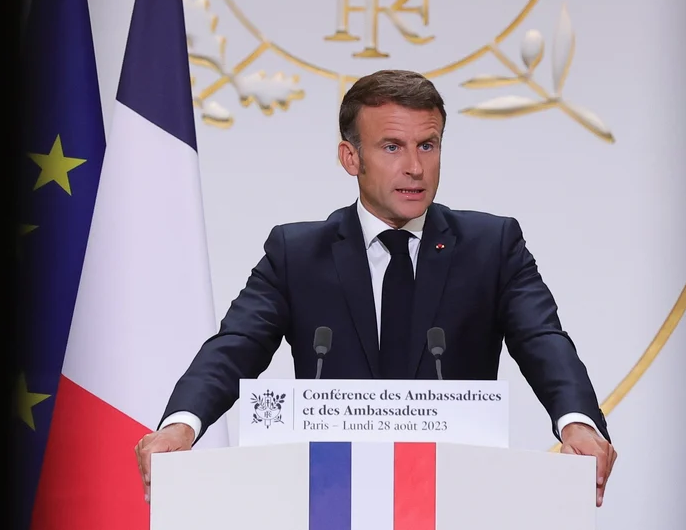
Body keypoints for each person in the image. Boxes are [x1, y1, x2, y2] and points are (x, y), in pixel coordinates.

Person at [134, 69, 619, 505]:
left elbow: (542, 340)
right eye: (392, 147)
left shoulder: (492, 245)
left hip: (455, 497)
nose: (415, 167)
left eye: (427, 145)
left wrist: (577, 421)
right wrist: (183, 423)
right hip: (328, 497)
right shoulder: (296, 253)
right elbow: (236, 345)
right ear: (351, 157)